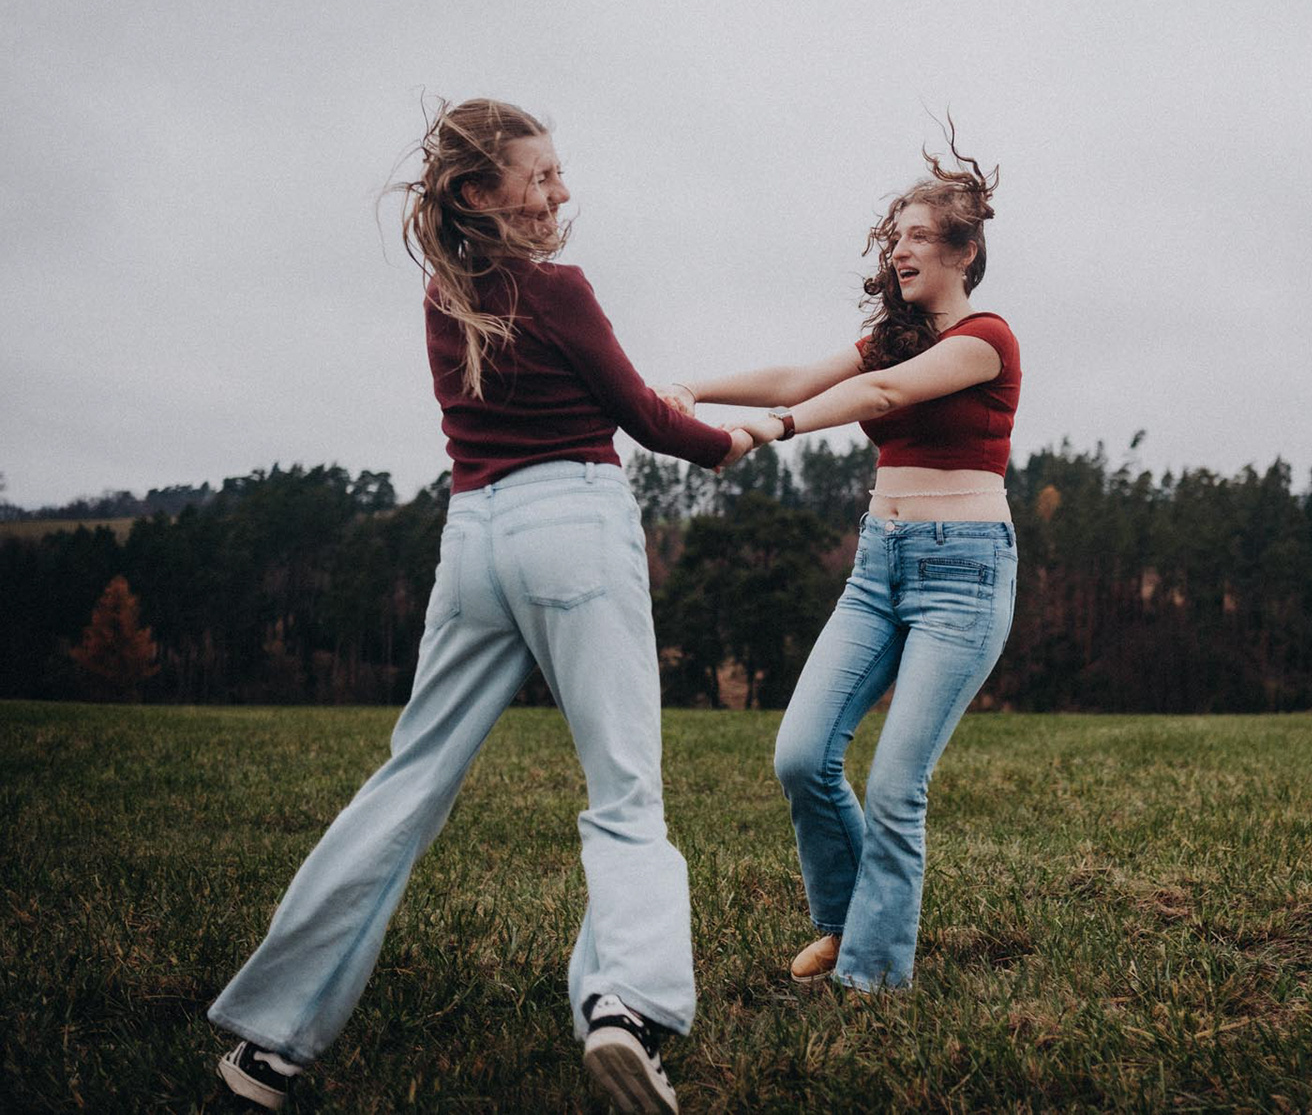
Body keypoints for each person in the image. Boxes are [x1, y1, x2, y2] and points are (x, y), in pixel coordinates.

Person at [208, 99, 741, 1114]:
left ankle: (268, 1046)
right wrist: (733, 440)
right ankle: (626, 1007)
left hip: (473, 543)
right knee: (625, 788)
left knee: (408, 781)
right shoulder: (560, 288)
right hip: (572, 525)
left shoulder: (443, 296)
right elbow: (644, 417)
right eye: (541, 176)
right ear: (480, 193)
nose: (561, 191)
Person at [666, 129, 1019, 992]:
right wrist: (691, 390)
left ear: (965, 251)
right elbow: (799, 379)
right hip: (879, 565)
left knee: (897, 787)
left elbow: (881, 394)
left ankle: (872, 978)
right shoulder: (893, 340)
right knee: (802, 756)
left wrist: (773, 432)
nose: (898, 250)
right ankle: (850, 923)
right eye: (894, 237)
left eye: (917, 236)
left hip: (963, 574)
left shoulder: (987, 339)